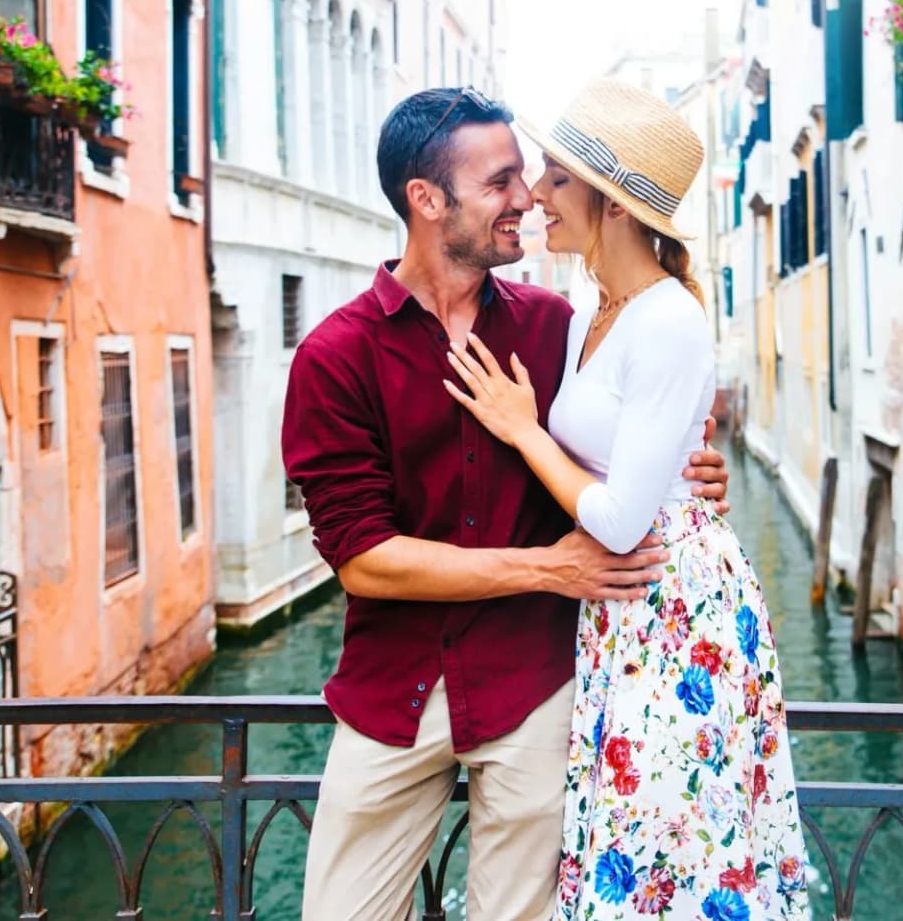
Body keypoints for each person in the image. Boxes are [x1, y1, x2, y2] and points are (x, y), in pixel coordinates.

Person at [281, 86, 731, 921]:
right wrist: (549, 568)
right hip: (395, 692)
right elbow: (363, 560)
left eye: (532, 178)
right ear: (426, 200)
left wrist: (690, 478)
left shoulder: (556, 324)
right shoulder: (335, 357)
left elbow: (615, 452)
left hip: (537, 685)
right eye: (501, 182)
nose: (526, 199)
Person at [445, 80, 809, 921]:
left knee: (678, 840)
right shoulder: (585, 316)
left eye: (556, 180)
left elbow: (617, 516)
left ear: (611, 205)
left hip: (675, 603)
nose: (536, 194)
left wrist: (519, 426)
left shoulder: (669, 320)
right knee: (633, 838)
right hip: (621, 609)